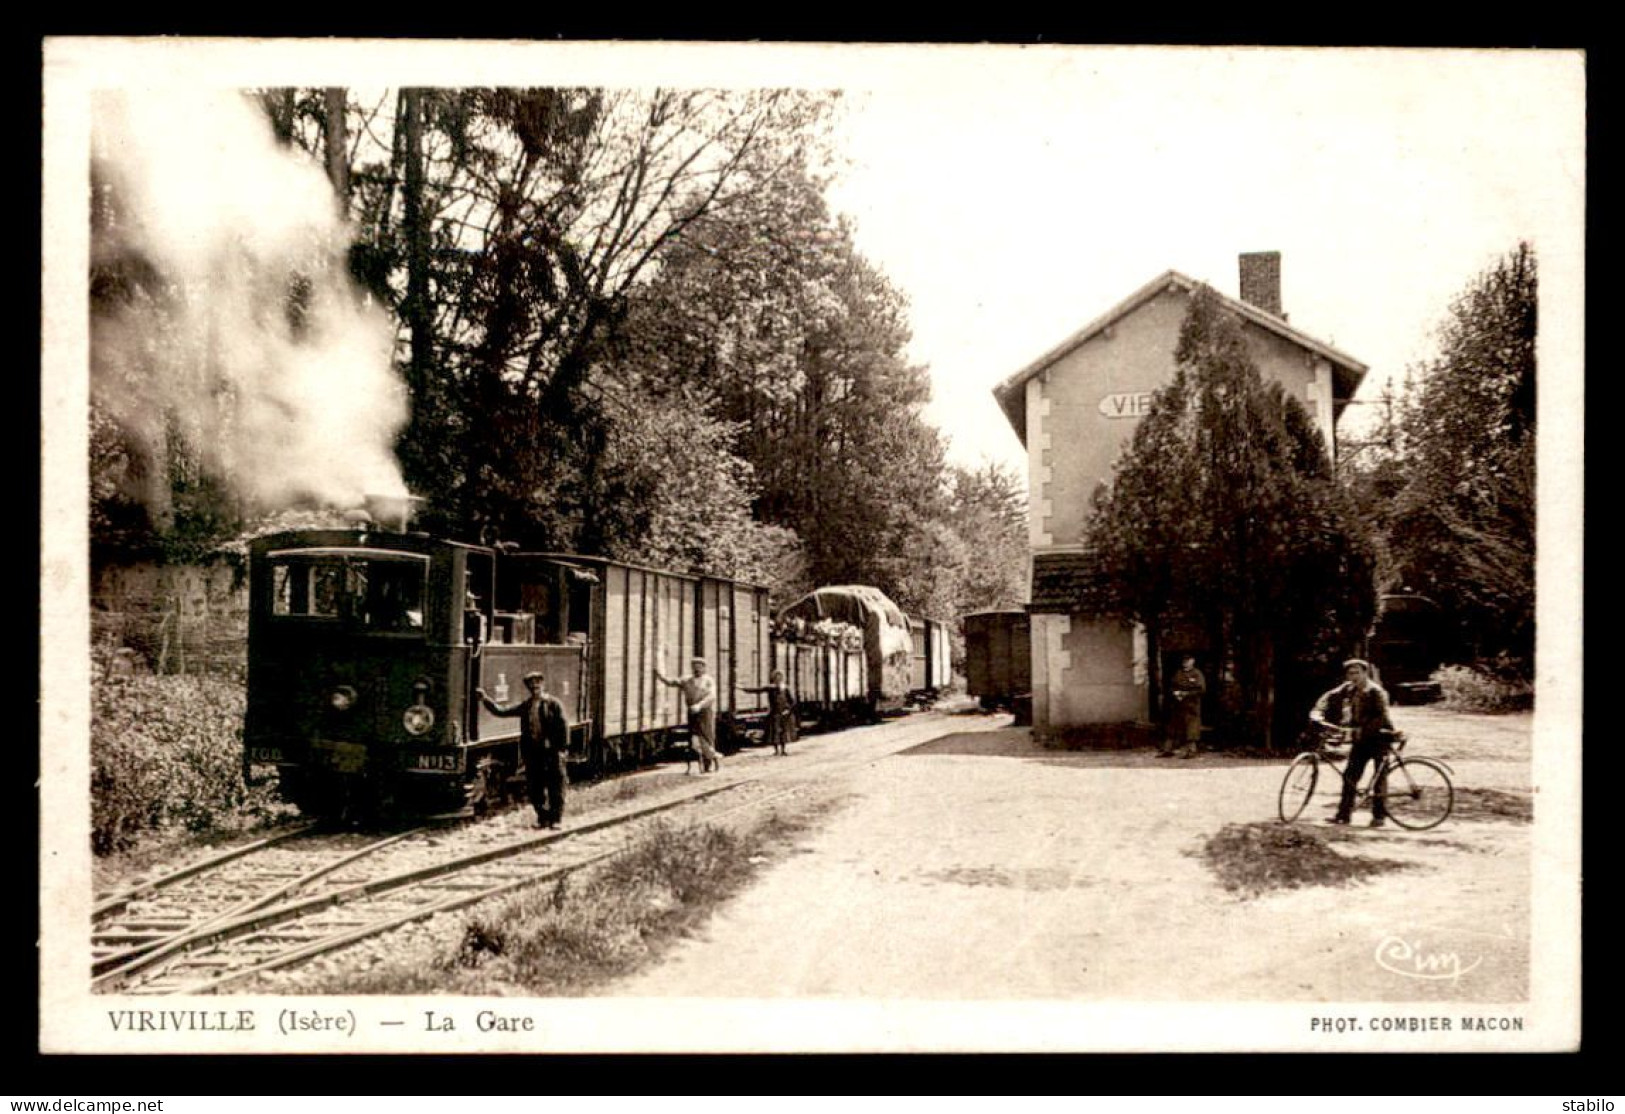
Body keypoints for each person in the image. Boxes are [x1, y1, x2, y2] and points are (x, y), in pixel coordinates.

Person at [1309, 658, 1398, 827]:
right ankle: (1343, 815)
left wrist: (1363, 730)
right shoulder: (1348, 688)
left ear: (1365, 673)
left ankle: (1379, 817)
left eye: (1357, 672)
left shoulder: (1375, 691)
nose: (1353, 676)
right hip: (1361, 740)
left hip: (1379, 737)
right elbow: (1328, 697)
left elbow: (1382, 717)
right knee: (1350, 776)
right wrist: (1317, 712)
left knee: (1379, 779)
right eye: (1350, 673)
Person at [476, 670, 569, 829]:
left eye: (537, 683)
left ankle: (556, 820)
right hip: (533, 752)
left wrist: (562, 749)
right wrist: (485, 699)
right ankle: (542, 818)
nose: (534, 687)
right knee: (535, 787)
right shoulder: (526, 706)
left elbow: (563, 727)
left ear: (542, 684)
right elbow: (501, 711)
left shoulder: (554, 704)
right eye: (531, 685)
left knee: (555, 786)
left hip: (552, 752)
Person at [656, 658, 721, 773]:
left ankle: (709, 762)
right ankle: (696, 763)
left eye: (699, 666)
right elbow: (672, 682)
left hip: (705, 712)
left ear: (704, 668)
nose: (696, 669)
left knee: (707, 736)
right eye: (694, 666)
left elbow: (712, 696)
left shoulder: (708, 681)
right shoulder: (687, 680)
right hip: (692, 711)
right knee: (693, 738)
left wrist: (700, 705)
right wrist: (660, 676)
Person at [1159, 655, 1207, 759]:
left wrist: (1186, 693)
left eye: (1188, 661)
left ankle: (1191, 751)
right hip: (1178, 705)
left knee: (1192, 728)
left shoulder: (1197, 674)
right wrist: (1175, 693)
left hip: (1192, 705)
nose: (1185, 663)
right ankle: (1168, 749)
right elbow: (1172, 686)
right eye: (1184, 661)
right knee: (1173, 727)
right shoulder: (1179, 673)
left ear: (1192, 661)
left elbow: (1201, 689)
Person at [742, 669, 797, 756]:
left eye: (779, 677)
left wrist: (788, 710)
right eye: (776, 677)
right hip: (774, 712)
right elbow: (758, 690)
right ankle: (776, 750)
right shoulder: (770, 688)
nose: (778, 679)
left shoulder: (785, 688)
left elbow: (792, 701)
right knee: (774, 731)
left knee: (783, 732)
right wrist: (744, 689)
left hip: (784, 713)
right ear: (773, 678)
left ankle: (783, 750)